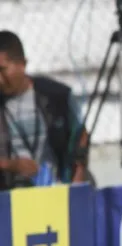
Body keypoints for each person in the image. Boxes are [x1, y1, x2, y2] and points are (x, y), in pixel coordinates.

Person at [0, 30, 89, 190]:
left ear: (22, 64)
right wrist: (10, 165)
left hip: (57, 189)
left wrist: (76, 180)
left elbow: (80, 135)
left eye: (2, 69)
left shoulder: (56, 96)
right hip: (10, 196)